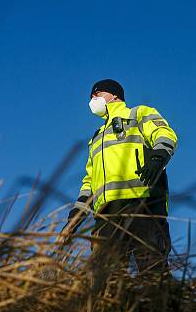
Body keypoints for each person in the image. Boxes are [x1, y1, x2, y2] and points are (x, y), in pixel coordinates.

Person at [63, 79, 177, 282]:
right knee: (105, 281)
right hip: (106, 218)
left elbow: (165, 134)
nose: (92, 100)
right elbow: (89, 182)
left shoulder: (138, 114)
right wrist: (74, 219)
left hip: (143, 207)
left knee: (153, 274)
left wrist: (158, 157)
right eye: (91, 97)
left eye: (96, 94)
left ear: (114, 95)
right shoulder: (96, 138)